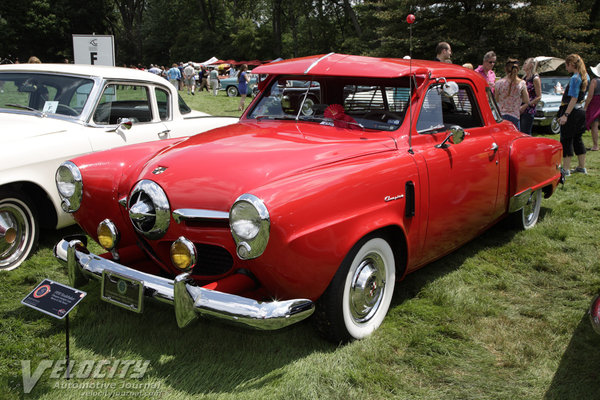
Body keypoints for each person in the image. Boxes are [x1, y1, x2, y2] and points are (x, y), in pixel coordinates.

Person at [558, 54, 589, 175]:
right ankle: (581, 167)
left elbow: (573, 98)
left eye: (566, 65)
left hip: (572, 112)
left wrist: (565, 115)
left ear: (571, 64)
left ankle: (565, 169)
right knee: (578, 139)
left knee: (566, 139)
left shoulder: (575, 78)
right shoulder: (585, 76)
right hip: (580, 111)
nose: (566, 68)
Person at [494, 58, 529, 129]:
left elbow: (496, 100)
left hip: (501, 116)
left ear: (505, 69)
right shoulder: (521, 84)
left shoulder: (498, 83)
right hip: (514, 116)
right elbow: (526, 101)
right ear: (518, 69)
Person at [519, 57, 542, 135]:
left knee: (526, 132)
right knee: (520, 132)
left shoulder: (535, 78)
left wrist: (526, 105)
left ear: (531, 65)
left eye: (526, 63)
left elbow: (539, 96)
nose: (524, 65)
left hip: (529, 109)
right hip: (521, 107)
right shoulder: (524, 78)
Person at [584, 62, 600, 151]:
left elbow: (590, 96)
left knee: (594, 125)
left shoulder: (594, 81)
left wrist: (585, 107)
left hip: (595, 104)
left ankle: (595, 145)